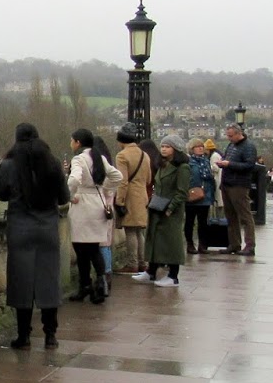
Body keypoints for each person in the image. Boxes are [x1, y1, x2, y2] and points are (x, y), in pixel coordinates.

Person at [0, 123, 70, 350]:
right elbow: (64, 197)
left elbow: (1, 194)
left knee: (21, 282)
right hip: (47, 228)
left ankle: (24, 336)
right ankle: (50, 335)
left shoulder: (9, 165)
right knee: (49, 282)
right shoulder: (53, 163)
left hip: (20, 228)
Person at [67, 128, 123, 305]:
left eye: (72, 140)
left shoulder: (79, 159)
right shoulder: (100, 157)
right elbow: (117, 176)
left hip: (82, 205)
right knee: (93, 248)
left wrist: (69, 195)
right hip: (97, 205)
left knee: (81, 248)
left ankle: (85, 285)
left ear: (77, 142)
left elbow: (74, 180)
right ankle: (100, 285)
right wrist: (104, 188)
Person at [137, 135, 191, 287]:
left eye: (168, 146)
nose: (164, 149)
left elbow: (182, 192)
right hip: (158, 206)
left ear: (176, 149)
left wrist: (171, 208)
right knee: (155, 239)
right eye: (162, 146)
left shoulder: (182, 167)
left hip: (171, 210)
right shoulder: (162, 165)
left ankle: (173, 276)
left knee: (172, 242)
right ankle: (151, 271)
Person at [112, 124, 152, 275]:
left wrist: (120, 201)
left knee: (130, 231)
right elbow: (148, 179)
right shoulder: (145, 155)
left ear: (121, 141)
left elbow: (122, 181)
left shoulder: (122, 156)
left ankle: (132, 263)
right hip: (142, 195)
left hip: (130, 196)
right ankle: (143, 262)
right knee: (139, 231)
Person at [215, 122, 259, 255]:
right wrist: (223, 163)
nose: (229, 138)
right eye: (228, 135)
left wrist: (230, 164)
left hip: (239, 185)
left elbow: (250, 165)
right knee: (230, 216)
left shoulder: (249, 147)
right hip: (227, 183)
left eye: (231, 135)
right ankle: (234, 244)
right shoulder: (231, 145)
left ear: (239, 134)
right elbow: (227, 159)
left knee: (244, 215)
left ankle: (250, 245)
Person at [184, 140, 215, 254]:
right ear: (192, 149)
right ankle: (190, 244)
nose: (200, 148)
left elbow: (211, 178)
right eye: (197, 147)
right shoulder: (188, 162)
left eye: (201, 146)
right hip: (192, 195)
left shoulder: (206, 161)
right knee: (190, 221)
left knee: (203, 222)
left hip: (205, 195)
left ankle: (202, 244)